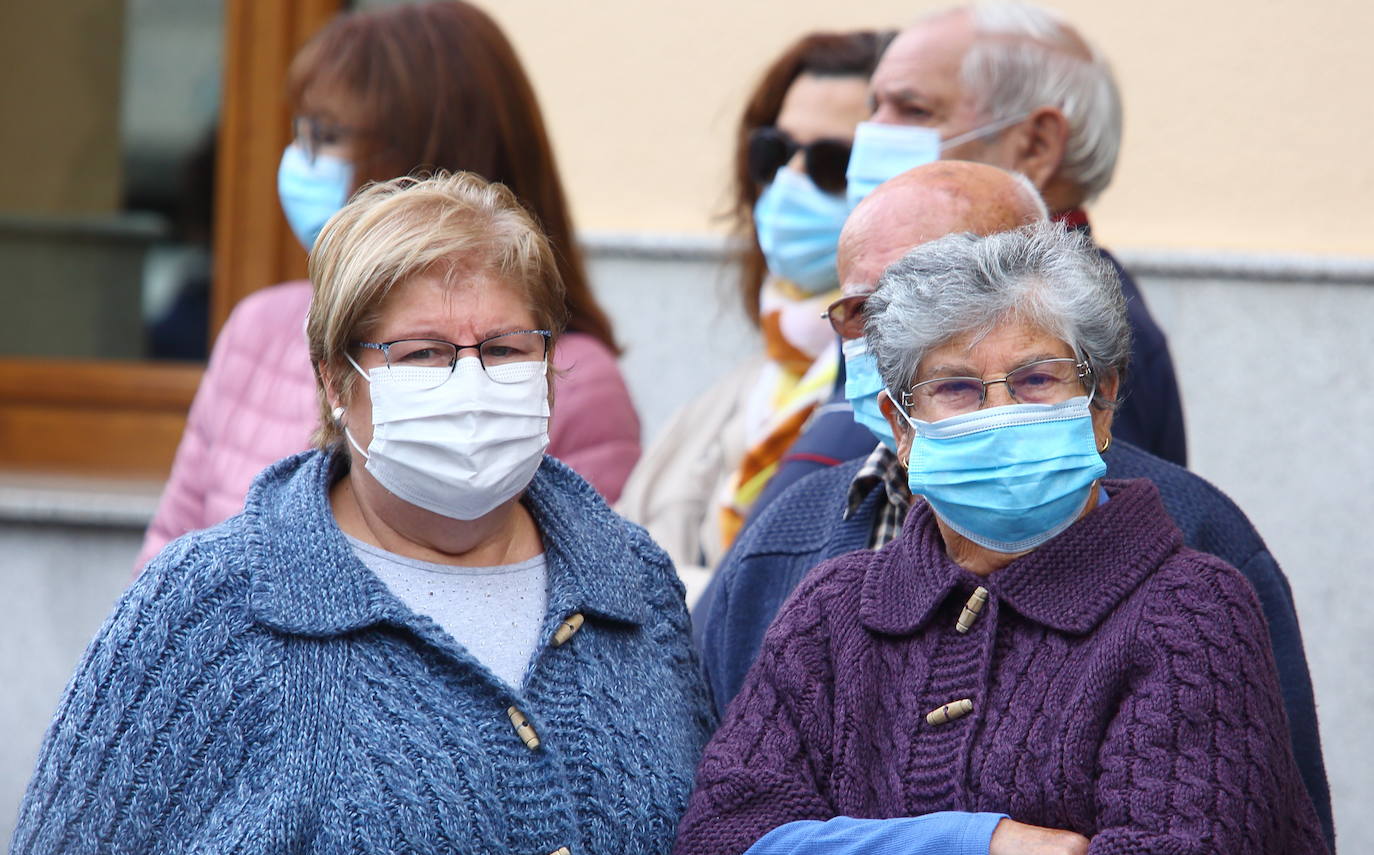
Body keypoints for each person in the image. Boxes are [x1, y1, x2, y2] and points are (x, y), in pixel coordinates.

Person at [0, 173, 739, 855]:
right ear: (338, 380)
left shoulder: (628, 587)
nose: (471, 383)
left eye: (506, 348)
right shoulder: (221, 605)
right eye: (423, 353)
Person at [674, 222, 1337, 855]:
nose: (998, 410)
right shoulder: (833, 612)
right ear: (901, 429)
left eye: (1036, 379)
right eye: (954, 387)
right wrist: (983, 848)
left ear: (1101, 406)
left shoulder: (1187, 605)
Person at [136, 0, 638, 572]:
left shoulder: (568, 378)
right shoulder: (258, 327)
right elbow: (169, 551)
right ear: (332, 374)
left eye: (329, 136)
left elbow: (591, 594)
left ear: (420, 157)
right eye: (303, 133)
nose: (303, 162)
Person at [745, 1, 1185, 526]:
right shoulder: (903, 284)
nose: (871, 138)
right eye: (874, 108)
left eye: (913, 110)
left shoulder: (1078, 329)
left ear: (1036, 143)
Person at [617, 30, 890, 600]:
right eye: (774, 151)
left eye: (831, 163)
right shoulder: (725, 399)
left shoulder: (908, 404)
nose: (789, 180)